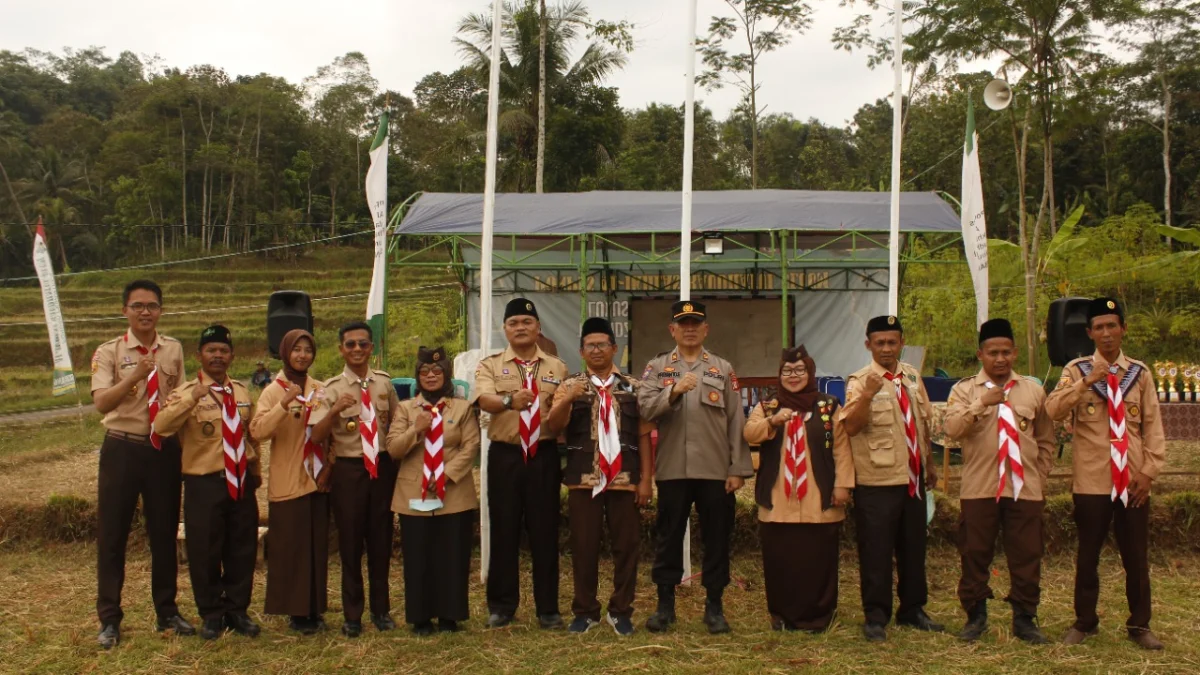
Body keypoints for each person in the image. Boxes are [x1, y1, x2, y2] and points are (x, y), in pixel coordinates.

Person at [1046, 297, 1166, 650]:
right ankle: (1085, 621)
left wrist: (1149, 472)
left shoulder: (1139, 374)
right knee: (1088, 554)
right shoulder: (1076, 370)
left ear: (1123, 329)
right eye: (1099, 327)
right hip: (1092, 479)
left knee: (1136, 557)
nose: (1106, 333)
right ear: (1089, 333)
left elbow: (1153, 426)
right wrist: (1086, 383)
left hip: (1132, 479)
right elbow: (1052, 409)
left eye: (1112, 325)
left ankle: (1140, 625)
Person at [637, 300, 752, 635]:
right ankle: (664, 606)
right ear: (672, 330)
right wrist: (673, 391)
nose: (689, 329)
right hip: (672, 468)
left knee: (717, 538)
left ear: (705, 330)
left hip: (715, 471)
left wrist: (737, 468)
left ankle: (714, 607)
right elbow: (645, 410)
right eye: (682, 324)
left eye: (695, 324)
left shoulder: (722, 368)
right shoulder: (657, 368)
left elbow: (735, 420)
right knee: (668, 538)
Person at [90, 279, 193, 649]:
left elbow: (179, 404)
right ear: (125, 311)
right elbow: (102, 403)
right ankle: (109, 619)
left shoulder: (174, 350)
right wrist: (134, 375)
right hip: (122, 448)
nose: (145, 312)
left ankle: (166, 612)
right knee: (113, 536)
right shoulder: (108, 352)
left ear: (161, 310)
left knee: (164, 534)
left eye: (152, 306)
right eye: (138, 306)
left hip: (162, 450)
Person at [943, 319, 1055, 644]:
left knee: (1027, 554)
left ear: (1015, 352)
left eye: (1006, 351)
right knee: (975, 552)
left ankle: (1025, 618)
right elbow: (950, 430)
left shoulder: (1033, 390)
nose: (1000, 358)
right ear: (981, 354)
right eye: (993, 352)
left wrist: (1040, 474)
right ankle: (975, 616)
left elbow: (1047, 438)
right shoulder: (964, 390)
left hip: (1025, 490)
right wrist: (981, 404)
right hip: (980, 488)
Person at [546, 317, 654, 636]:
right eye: (590, 345)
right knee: (584, 545)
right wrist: (567, 397)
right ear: (581, 351)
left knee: (627, 546)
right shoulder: (570, 384)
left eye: (602, 344)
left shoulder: (633, 387)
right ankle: (585, 611)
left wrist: (647, 480)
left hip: (625, 478)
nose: (596, 350)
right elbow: (553, 427)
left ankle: (621, 611)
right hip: (584, 477)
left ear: (614, 348)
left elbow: (646, 435)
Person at [839, 315, 942, 642]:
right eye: (880, 343)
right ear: (868, 345)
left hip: (912, 479)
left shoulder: (912, 376)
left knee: (914, 548)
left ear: (901, 342)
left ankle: (912, 609)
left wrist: (930, 462)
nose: (886, 348)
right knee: (877, 551)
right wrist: (868, 395)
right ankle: (876, 616)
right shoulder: (859, 381)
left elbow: (922, 423)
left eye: (892, 342)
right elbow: (851, 427)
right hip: (877, 481)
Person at [154, 325, 261, 640]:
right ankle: (211, 614)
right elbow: (161, 426)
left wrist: (256, 471)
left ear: (231, 356)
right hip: (204, 483)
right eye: (211, 350)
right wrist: (191, 400)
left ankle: (237, 610)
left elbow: (250, 435)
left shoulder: (241, 391)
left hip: (240, 480)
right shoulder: (186, 391)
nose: (218, 356)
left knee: (242, 548)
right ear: (199, 355)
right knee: (205, 551)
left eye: (224, 350)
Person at [473, 297, 568, 629]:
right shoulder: (490, 364)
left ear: (538, 327)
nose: (520, 328)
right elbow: (483, 400)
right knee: (503, 530)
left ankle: (548, 608)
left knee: (545, 532)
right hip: (505, 456)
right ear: (505, 330)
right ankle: (502, 605)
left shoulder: (558, 367)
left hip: (543, 454)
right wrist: (508, 400)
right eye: (513, 323)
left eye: (527, 322)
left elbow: (560, 417)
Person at [744, 345, 853, 633]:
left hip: (819, 497)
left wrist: (843, 485)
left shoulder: (828, 406)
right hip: (779, 497)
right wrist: (772, 421)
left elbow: (840, 448)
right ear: (779, 375)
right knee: (782, 558)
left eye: (800, 370)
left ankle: (819, 617)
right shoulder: (768, 405)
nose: (793, 376)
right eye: (787, 371)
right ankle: (782, 615)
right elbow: (749, 433)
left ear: (811, 372)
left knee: (819, 558)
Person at [309, 321, 401, 638]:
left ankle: (381, 610)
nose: (357, 350)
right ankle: (352, 615)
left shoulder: (385, 384)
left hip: (382, 468)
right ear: (341, 349)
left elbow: (396, 426)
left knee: (380, 541)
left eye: (363, 344)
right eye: (350, 344)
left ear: (372, 348)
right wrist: (334, 410)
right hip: (349, 470)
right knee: (350, 544)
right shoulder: (329, 389)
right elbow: (316, 434)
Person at [386, 346, 480, 635]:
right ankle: (421, 617)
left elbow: (470, 446)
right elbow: (393, 449)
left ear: (447, 376)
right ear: (417, 376)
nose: (430, 376)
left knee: (452, 554)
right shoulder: (405, 409)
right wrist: (416, 429)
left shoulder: (462, 408)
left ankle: (450, 616)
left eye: (437, 371)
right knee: (418, 557)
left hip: (453, 492)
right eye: (424, 372)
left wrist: (446, 475)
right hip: (414, 492)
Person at [248, 329, 330, 635]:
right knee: (290, 549)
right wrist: (283, 404)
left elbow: (329, 433)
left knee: (315, 548)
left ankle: (315, 607)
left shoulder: (320, 390)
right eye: (297, 349)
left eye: (308, 349)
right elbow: (257, 432)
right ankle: (296, 612)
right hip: (287, 480)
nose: (303, 355)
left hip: (316, 479)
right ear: (285, 353)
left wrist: (329, 468)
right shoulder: (272, 391)